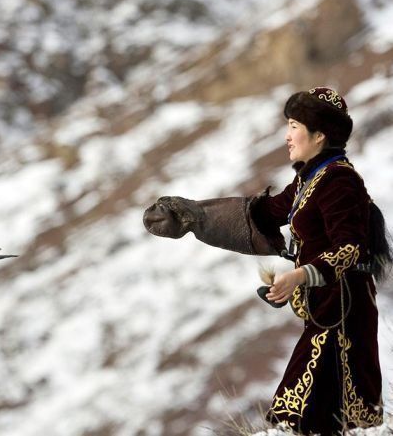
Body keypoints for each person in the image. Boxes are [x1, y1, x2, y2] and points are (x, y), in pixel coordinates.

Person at [143, 87, 391, 435]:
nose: (287, 135)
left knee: (302, 416)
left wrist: (299, 276)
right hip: (327, 312)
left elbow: (350, 249)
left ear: (319, 135)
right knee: (314, 419)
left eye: (294, 125)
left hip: (346, 315)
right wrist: (196, 217)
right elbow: (263, 215)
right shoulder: (309, 179)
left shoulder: (340, 181)